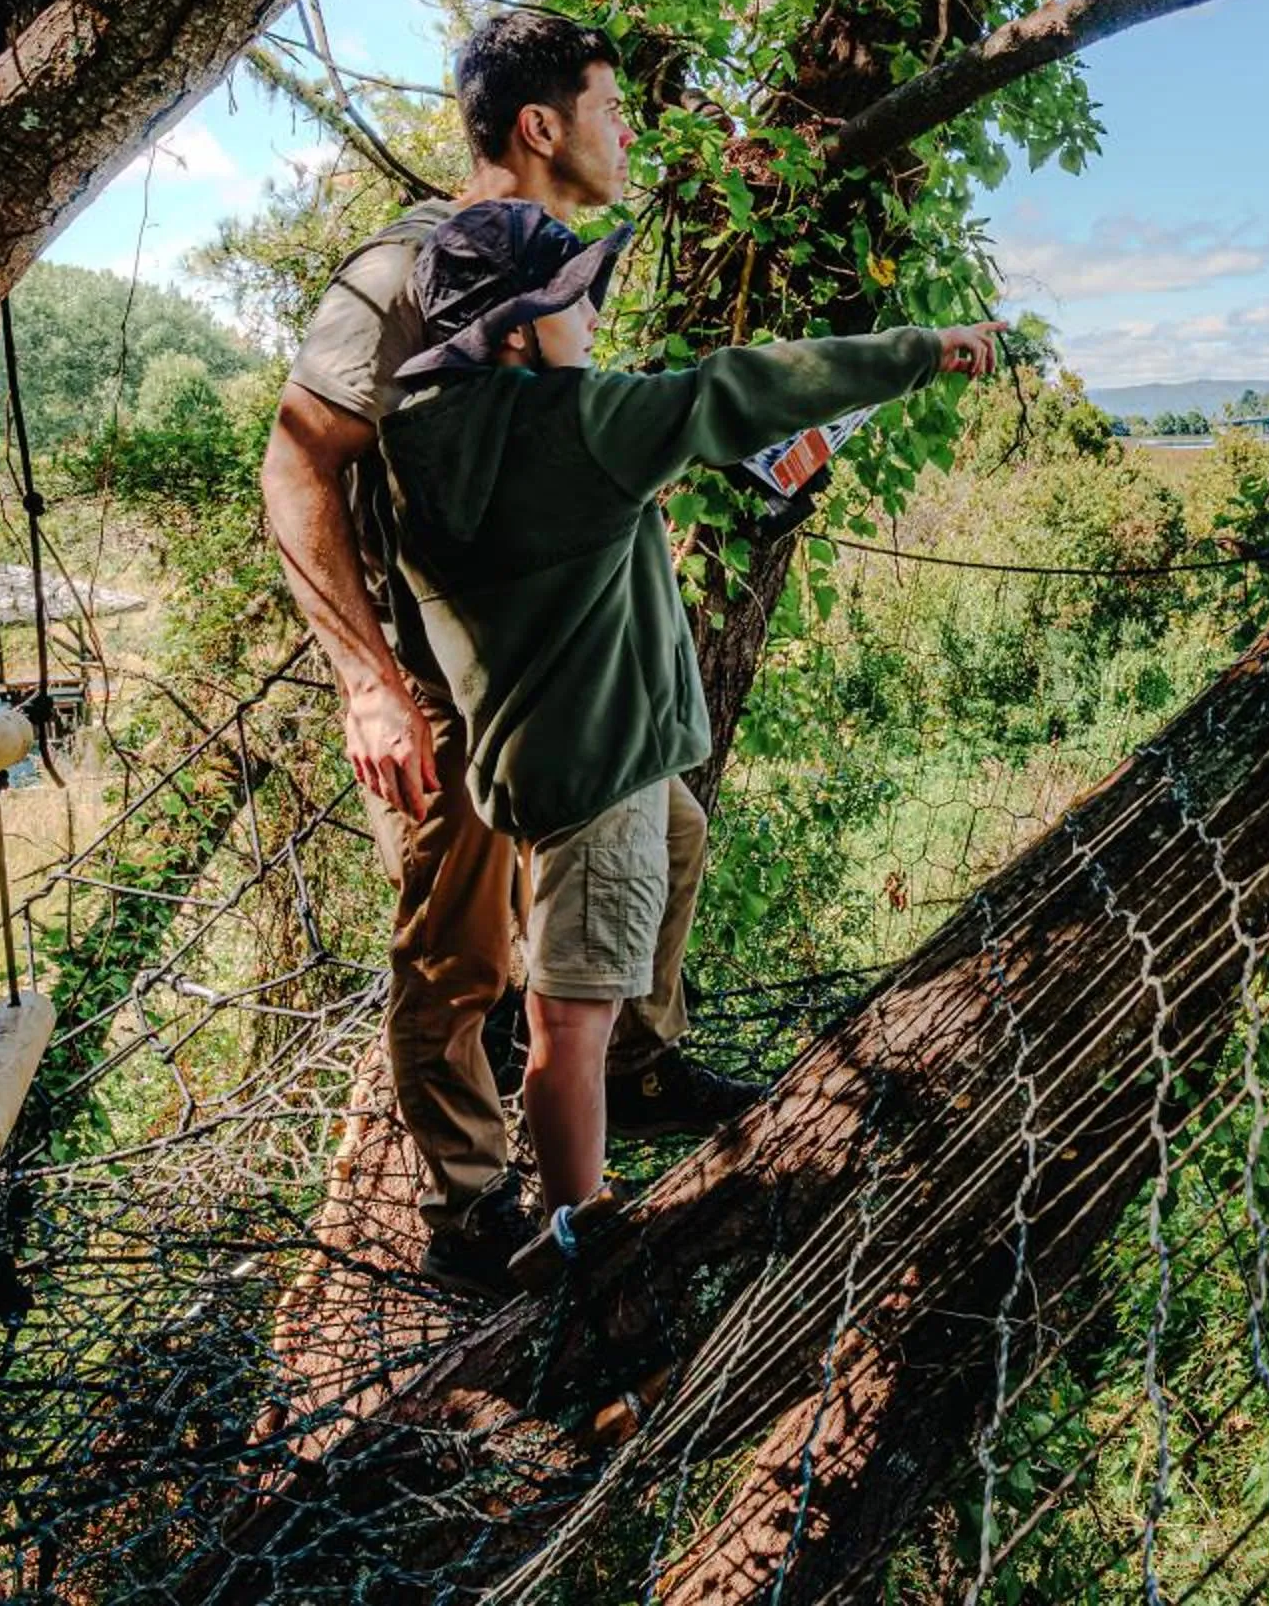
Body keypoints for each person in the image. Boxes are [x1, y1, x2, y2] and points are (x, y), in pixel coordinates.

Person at [376, 197, 1003, 1274]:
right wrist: (925, 351)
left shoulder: (421, 436)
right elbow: (736, 389)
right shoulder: (577, 421)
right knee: (566, 1024)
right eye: (574, 303)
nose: (594, 320)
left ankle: (636, 1057)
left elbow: (546, 551)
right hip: (595, 770)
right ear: (520, 331)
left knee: (682, 837)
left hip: (539, 749)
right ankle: (581, 1242)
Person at [261, 11, 756, 1293]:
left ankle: (634, 1067)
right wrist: (371, 686)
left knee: (674, 839)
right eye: (609, 105)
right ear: (539, 125)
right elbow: (298, 460)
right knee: (461, 940)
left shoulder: (542, 260)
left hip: (562, 664)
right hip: (452, 675)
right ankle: (470, 1209)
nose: (627, 129)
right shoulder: (405, 272)